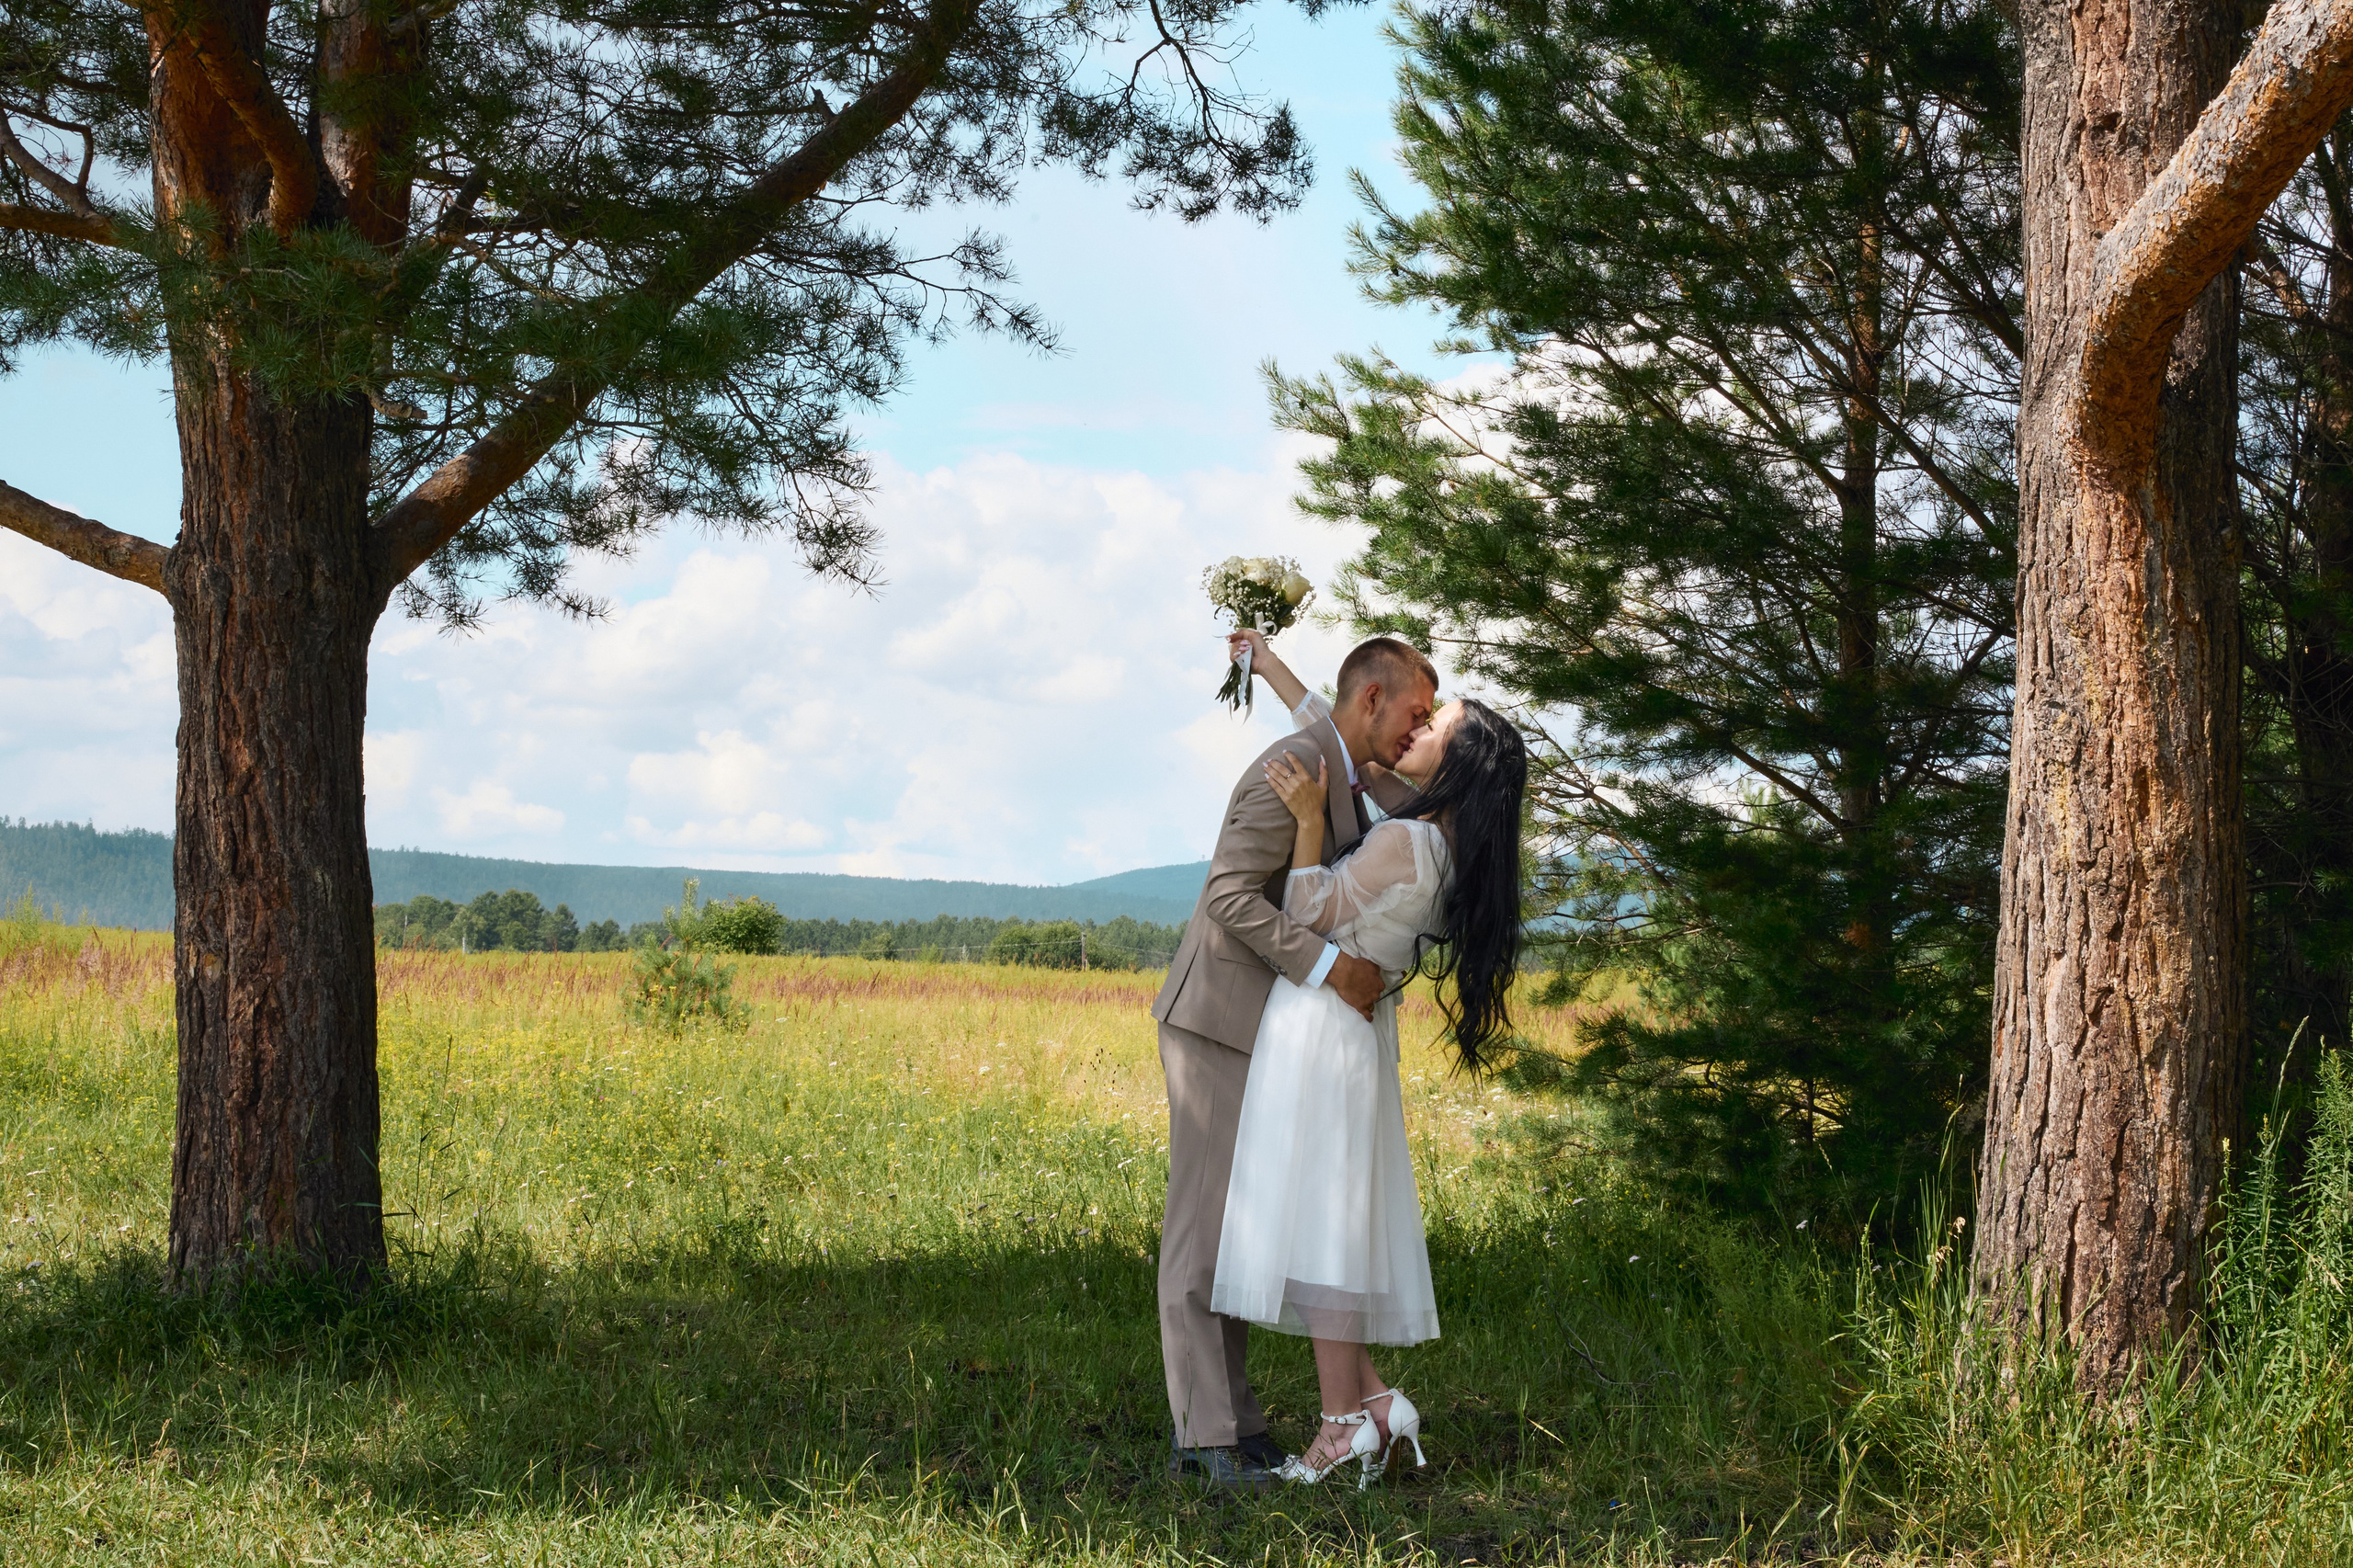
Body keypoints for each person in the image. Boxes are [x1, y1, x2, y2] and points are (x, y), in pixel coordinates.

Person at [1213, 629, 1528, 1487]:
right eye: (1416, 716)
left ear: (1454, 762)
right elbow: (1342, 726)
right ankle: (1379, 1404)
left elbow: (1306, 910)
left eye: (1434, 725)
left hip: (1320, 1030)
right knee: (1329, 1222)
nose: (1415, 729)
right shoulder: (1446, 844)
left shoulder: (1403, 840)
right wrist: (1270, 665)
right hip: (1357, 1039)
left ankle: (1340, 1424)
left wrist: (1310, 824)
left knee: (1320, 1231)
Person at [1152, 632, 1438, 1489]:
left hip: (1273, 1033)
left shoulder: (1346, 767)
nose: (1418, 729)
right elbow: (1228, 896)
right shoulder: (1290, 770)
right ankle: (1205, 1440)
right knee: (1203, 1234)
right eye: (1415, 712)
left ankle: (1237, 1426)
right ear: (1372, 699)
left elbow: (1331, 712)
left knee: (1243, 1227)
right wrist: (1331, 968)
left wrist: (1271, 664)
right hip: (1221, 1021)